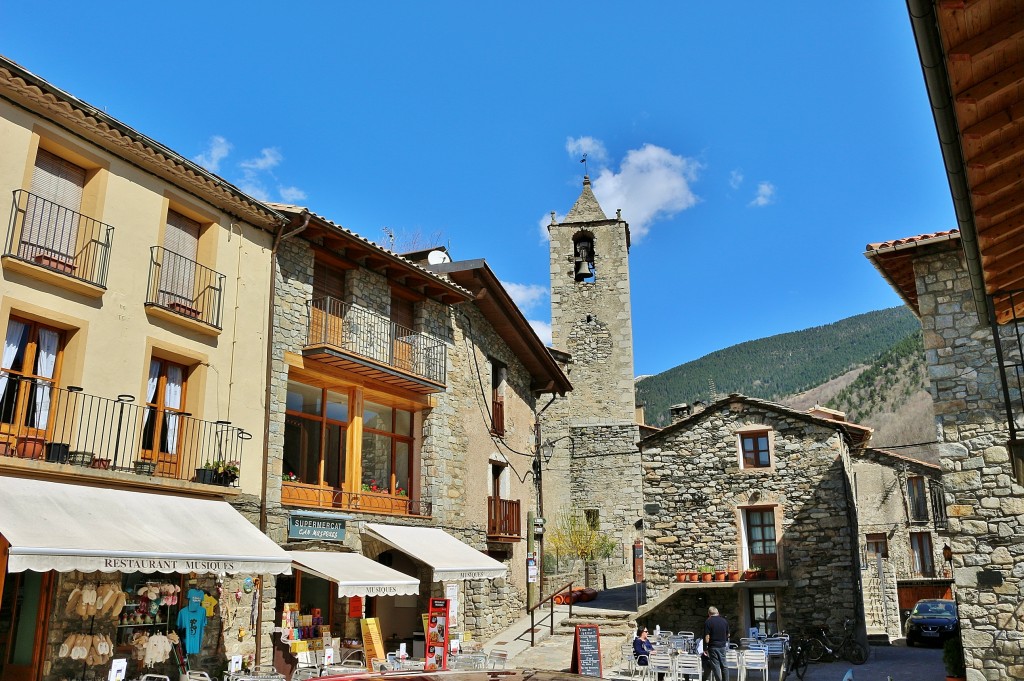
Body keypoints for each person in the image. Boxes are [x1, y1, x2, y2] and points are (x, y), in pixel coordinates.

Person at [704, 606, 730, 681]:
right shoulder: (724, 621)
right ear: (718, 613)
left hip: (713, 646)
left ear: (709, 614)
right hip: (722, 646)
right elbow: (728, 634)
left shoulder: (708, 622)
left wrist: (705, 648)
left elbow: (707, 637)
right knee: (724, 665)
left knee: (716, 666)